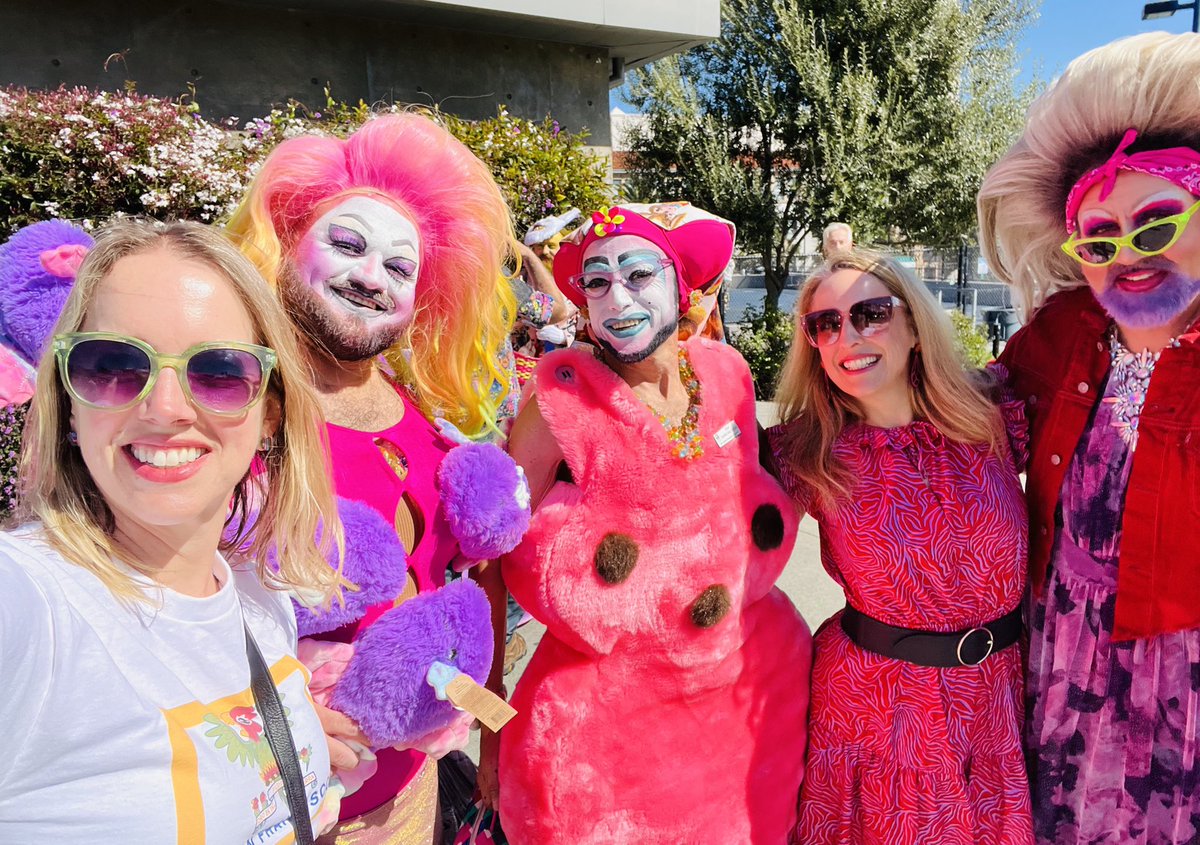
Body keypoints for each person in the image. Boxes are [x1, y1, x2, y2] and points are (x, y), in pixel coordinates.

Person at [228, 112, 529, 844]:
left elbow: (465, 580)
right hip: (284, 808)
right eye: (348, 244)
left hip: (410, 793)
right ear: (286, 244)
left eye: (400, 267)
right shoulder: (236, 403)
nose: (371, 277)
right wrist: (276, 718)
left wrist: (492, 727)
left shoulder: (420, 414)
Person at [0, 219, 346, 841]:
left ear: (269, 412)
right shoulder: (28, 606)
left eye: (218, 371)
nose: (165, 408)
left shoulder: (262, 600)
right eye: (111, 365)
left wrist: (292, 751)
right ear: (70, 401)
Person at [480, 202, 812, 844]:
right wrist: (491, 725)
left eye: (637, 274)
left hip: (745, 710)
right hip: (606, 744)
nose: (615, 297)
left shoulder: (728, 376)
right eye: (596, 282)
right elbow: (489, 561)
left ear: (681, 284)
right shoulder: (556, 406)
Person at [978, 31, 1200, 845]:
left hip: (1183, 673)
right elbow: (970, 408)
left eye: (1155, 224)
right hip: (1062, 647)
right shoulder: (1065, 329)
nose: (1125, 256)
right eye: (1099, 240)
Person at [768, 250, 1033, 845]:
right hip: (877, 711)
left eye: (870, 313)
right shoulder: (801, 454)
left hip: (998, 700)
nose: (848, 336)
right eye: (826, 324)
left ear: (914, 326)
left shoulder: (991, 416)